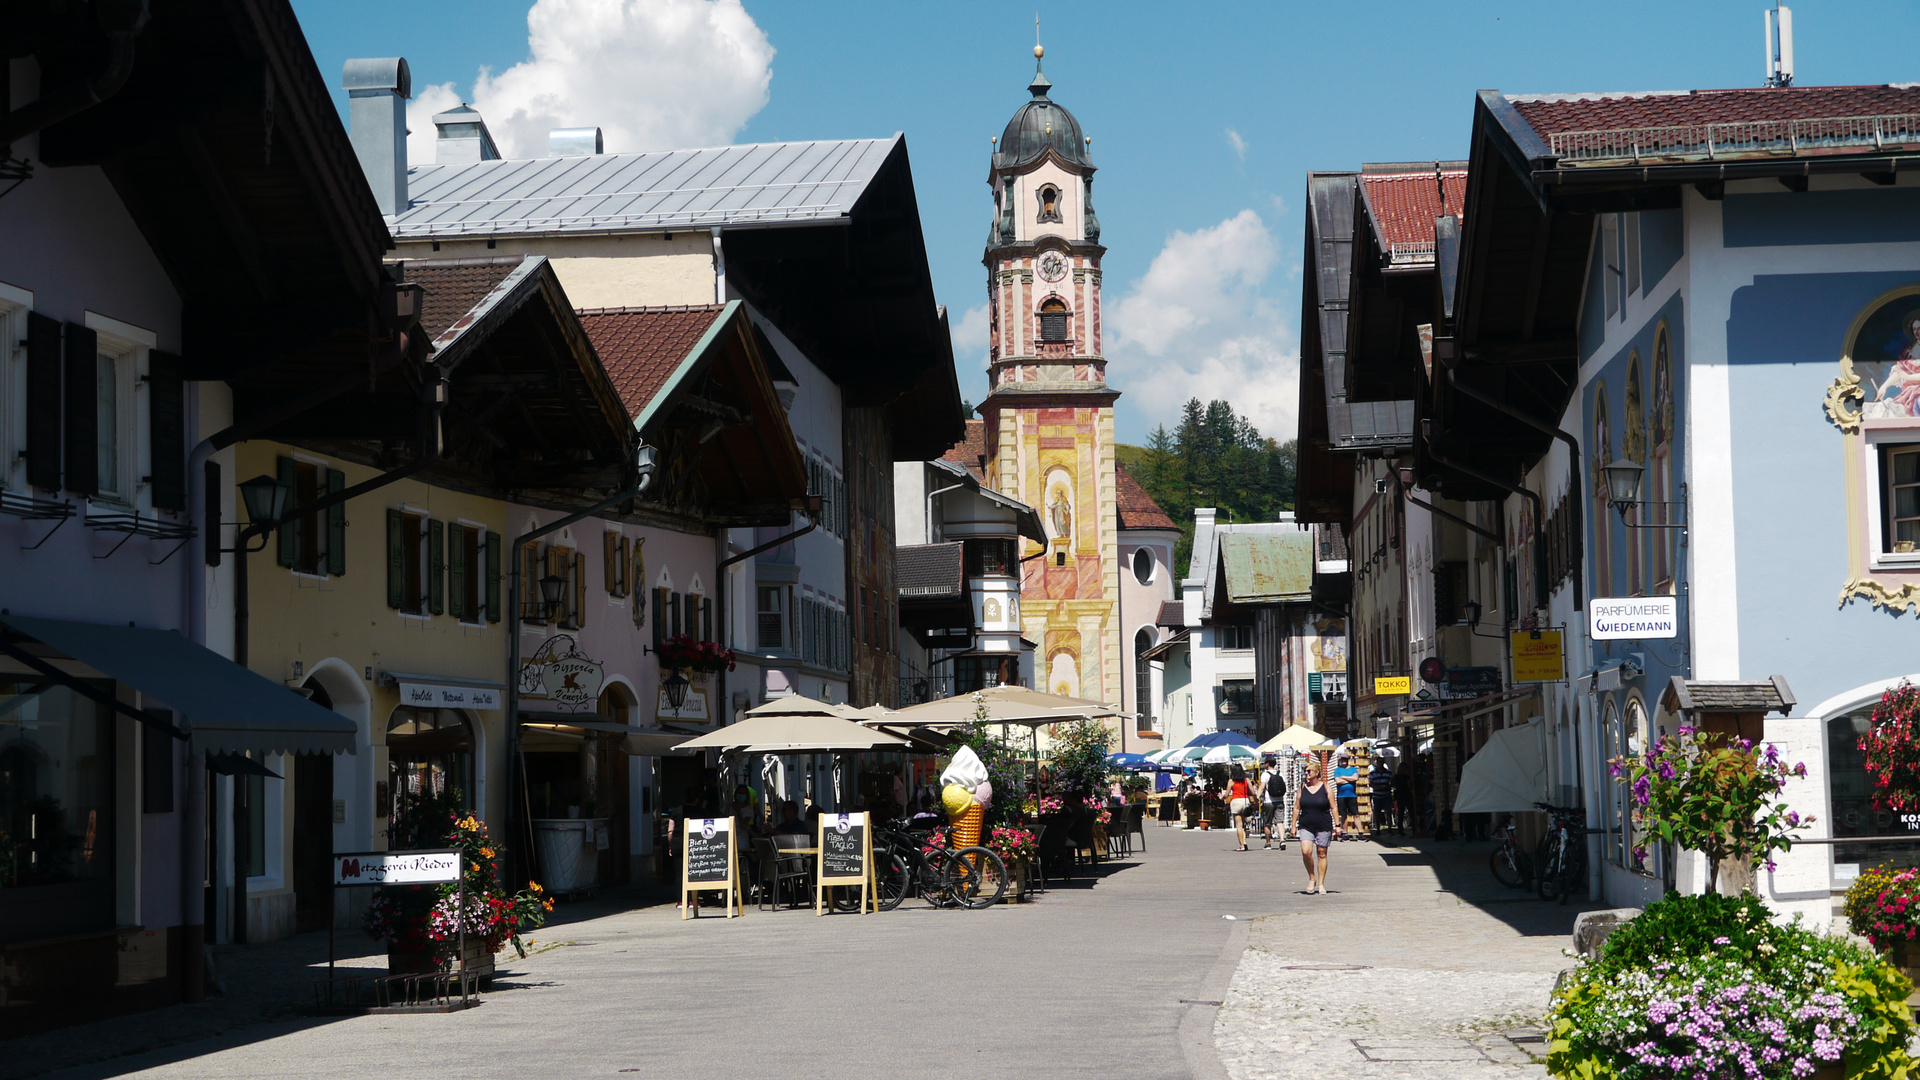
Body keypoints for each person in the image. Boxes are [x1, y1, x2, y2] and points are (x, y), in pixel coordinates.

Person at [1289, 760, 1339, 893]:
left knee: (1322, 853)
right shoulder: (1302, 788)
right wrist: (1293, 825)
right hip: (1306, 824)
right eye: (1305, 771)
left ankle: (1321, 884)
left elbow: (1333, 807)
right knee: (1306, 851)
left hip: (1323, 824)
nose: (1306, 773)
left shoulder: (1326, 787)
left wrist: (1337, 825)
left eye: (1309, 771)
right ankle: (1312, 877)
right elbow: (1296, 808)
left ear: (1317, 773)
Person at [1259, 758, 1286, 850]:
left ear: (1267, 764)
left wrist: (1256, 797)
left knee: (1268, 822)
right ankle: (1282, 840)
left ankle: (1268, 843)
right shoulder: (1280, 773)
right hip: (1279, 800)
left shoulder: (1265, 774)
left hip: (1269, 801)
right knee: (1280, 821)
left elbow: (1262, 787)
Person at [1227, 764, 1255, 851]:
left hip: (1236, 801)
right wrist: (1256, 800)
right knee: (1243, 824)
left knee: (1238, 825)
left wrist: (1222, 797)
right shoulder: (1246, 780)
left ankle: (1242, 845)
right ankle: (1245, 842)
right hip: (1245, 801)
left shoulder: (1231, 781)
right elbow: (1253, 792)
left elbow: (1227, 794)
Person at [1332, 755, 1361, 839]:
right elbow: (1337, 781)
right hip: (1341, 796)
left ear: (1348, 760)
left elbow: (1355, 778)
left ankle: (1360, 833)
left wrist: (1344, 777)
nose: (1343, 761)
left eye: (1345, 759)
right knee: (1343, 815)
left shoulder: (1353, 769)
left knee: (1356, 814)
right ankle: (1345, 833)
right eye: (1342, 759)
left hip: (1352, 795)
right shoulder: (1337, 770)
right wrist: (1350, 780)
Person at [1369, 757, 1396, 834]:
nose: (1380, 763)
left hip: (1386, 794)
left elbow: (1391, 781)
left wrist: (1389, 785)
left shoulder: (1388, 772)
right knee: (1377, 812)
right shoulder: (1373, 773)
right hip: (1377, 795)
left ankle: (1390, 828)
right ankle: (1378, 829)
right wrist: (1376, 787)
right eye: (1379, 762)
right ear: (1377, 763)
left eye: (1382, 762)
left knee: (1388, 812)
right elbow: (1370, 783)